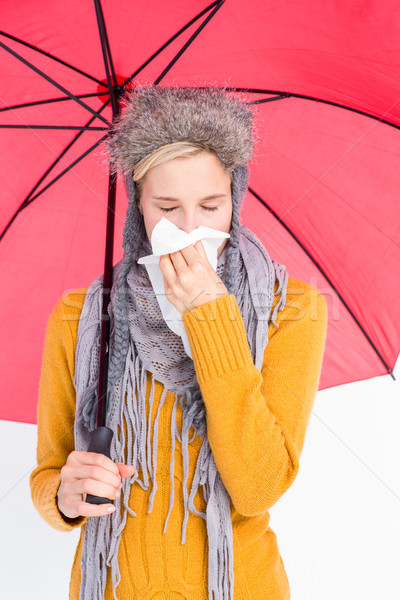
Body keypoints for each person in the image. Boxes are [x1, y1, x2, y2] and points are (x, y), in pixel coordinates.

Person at [30, 84, 328, 600]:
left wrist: (212, 319)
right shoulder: (80, 317)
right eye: (167, 207)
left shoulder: (290, 309)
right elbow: (49, 473)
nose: (190, 231)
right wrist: (64, 495)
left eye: (211, 206)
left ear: (234, 199)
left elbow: (259, 487)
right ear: (136, 209)